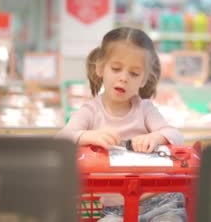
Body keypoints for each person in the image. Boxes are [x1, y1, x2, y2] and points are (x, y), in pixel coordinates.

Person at [57, 27, 185, 222]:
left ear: (144, 79)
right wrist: (90, 135)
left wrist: (155, 137)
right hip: (111, 209)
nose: (123, 78)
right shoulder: (91, 111)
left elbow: (176, 136)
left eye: (134, 73)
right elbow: (61, 140)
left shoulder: (145, 109)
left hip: (160, 201)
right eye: (116, 69)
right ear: (100, 68)